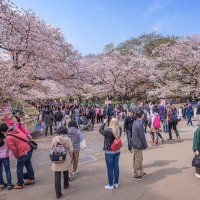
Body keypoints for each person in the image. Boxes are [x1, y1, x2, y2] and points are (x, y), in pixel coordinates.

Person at [0, 123, 35, 189]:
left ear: (2, 131)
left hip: (22, 152)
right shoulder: (15, 130)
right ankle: (31, 179)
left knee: (19, 168)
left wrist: (16, 156)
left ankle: (20, 184)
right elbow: (24, 136)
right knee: (28, 164)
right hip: (28, 148)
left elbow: (14, 149)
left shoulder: (8, 138)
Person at [99, 117, 122, 190]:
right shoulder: (119, 129)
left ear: (111, 123)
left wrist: (104, 122)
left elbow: (100, 130)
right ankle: (116, 183)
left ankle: (110, 185)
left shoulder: (108, 131)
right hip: (117, 150)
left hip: (109, 152)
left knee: (110, 169)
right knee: (116, 167)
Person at [51, 126, 73, 199]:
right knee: (65, 170)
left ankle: (58, 193)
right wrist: (71, 157)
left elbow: (52, 148)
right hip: (65, 157)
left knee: (57, 175)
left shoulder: (55, 139)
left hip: (56, 158)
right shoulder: (68, 139)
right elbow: (71, 149)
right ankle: (66, 184)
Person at [132, 109, 148, 181]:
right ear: (141, 115)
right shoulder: (140, 123)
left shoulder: (135, 122)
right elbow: (142, 136)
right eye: (143, 114)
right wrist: (145, 145)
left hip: (135, 143)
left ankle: (141, 172)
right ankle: (136, 174)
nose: (144, 115)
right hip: (138, 143)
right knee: (138, 160)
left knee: (139, 158)